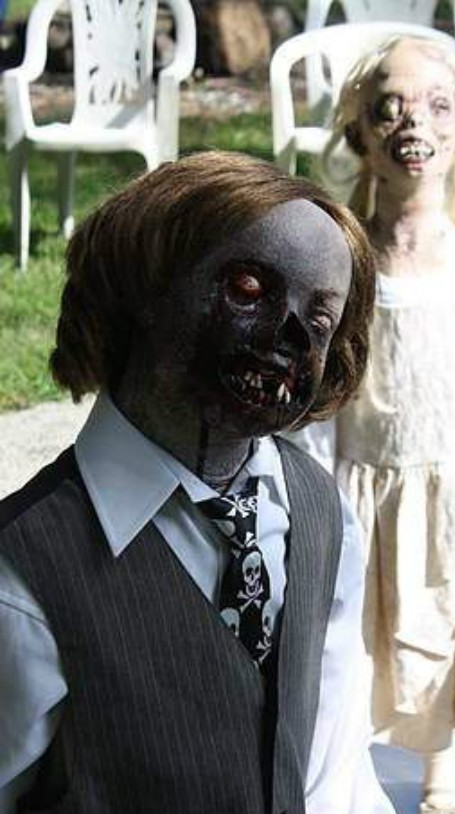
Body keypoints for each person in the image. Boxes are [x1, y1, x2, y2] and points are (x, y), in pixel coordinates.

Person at [0, 151, 395, 814]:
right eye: (249, 288)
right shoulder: (22, 575)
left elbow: (337, 761)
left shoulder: (320, 513)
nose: (292, 337)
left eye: (320, 318)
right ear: (146, 287)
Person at [291, 35, 455, 812]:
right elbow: (319, 402)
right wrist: (310, 511)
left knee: (442, 644)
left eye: (436, 107)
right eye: (389, 108)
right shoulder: (343, 262)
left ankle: (444, 781)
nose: (413, 125)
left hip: (447, 511)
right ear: (359, 133)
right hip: (354, 501)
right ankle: (338, 781)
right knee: (345, 655)